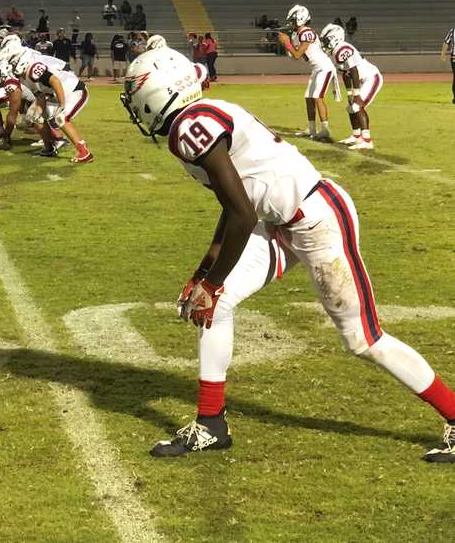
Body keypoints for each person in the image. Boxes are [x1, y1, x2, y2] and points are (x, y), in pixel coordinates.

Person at [121, 50, 455, 464]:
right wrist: (204, 273)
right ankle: (211, 424)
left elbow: (242, 214)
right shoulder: (199, 117)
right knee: (216, 305)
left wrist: (210, 282)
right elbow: (235, 205)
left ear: (156, 93)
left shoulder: (191, 127)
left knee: (364, 340)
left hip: (316, 219)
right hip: (281, 220)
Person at [9, 47, 93, 163]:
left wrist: (61, 105)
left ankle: (84, 152)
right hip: (55, 96)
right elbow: (40, 96)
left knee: (61, 118)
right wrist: (35, 114)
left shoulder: (33, 69)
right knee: (34, 116)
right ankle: (49, 148)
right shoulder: (23, 78)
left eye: (12, 63)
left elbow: (55, 81)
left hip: (74, 91)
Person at [279, 4, 337, 141]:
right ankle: (312, 129)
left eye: (293, 20)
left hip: (324, 67)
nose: (291, 23)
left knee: (317, 97)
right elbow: (302, 57)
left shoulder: (306, 32)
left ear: (300, 18)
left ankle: (325, 130)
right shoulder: (298, 34)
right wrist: (288, 45)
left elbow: (298, 55)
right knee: (309, 98)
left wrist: (287, 43)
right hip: (317, 68)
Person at [320, 24, 381, 150]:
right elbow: (346, 74)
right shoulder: (336, 51)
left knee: (357, 106)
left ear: (334, 38)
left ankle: (367, 140)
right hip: (361, 80)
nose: (324, 44)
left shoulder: (342, 49)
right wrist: (349, 94)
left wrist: (356, 93)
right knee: (350, 107)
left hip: (371, 77)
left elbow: (353, 71)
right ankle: (356, 136)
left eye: (326, 40)